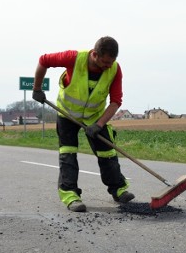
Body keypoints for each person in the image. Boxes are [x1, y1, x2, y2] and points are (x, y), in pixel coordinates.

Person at [32, 36, 134, 212]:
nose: (107, 67)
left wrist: (100, 124)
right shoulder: (73, 58)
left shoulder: (115, 70)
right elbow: (44, 60)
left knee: (107, 151)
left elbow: (116, 101)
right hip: (68, 114)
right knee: (68, 154)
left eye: (111, 63)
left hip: (94, 116)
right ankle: (71, 196)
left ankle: (119, 189)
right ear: (94, 54)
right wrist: (37, 88)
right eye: (104, 63)